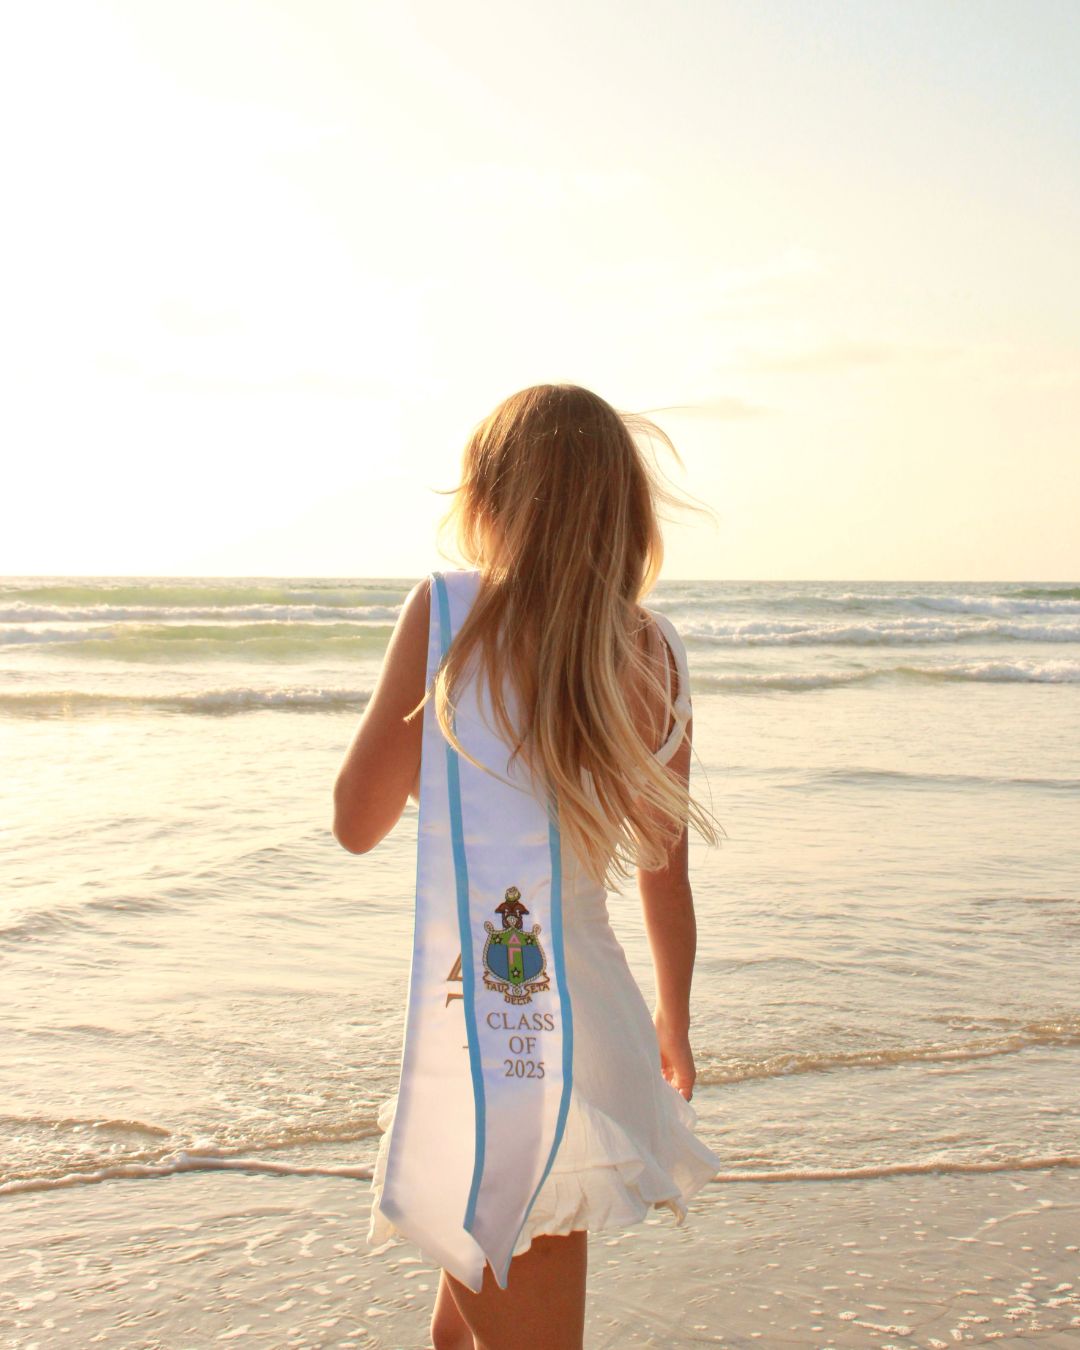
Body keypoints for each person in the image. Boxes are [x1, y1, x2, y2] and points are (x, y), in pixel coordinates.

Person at [332, 383, 723, 1350]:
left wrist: (457, 753)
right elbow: (663, 871)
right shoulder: (653, 649)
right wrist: (674, 1018)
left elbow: (355, 822)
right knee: (458, 1332)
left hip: (496, 1025)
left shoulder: (450, 616)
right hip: (595, 1012)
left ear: (490, 499)